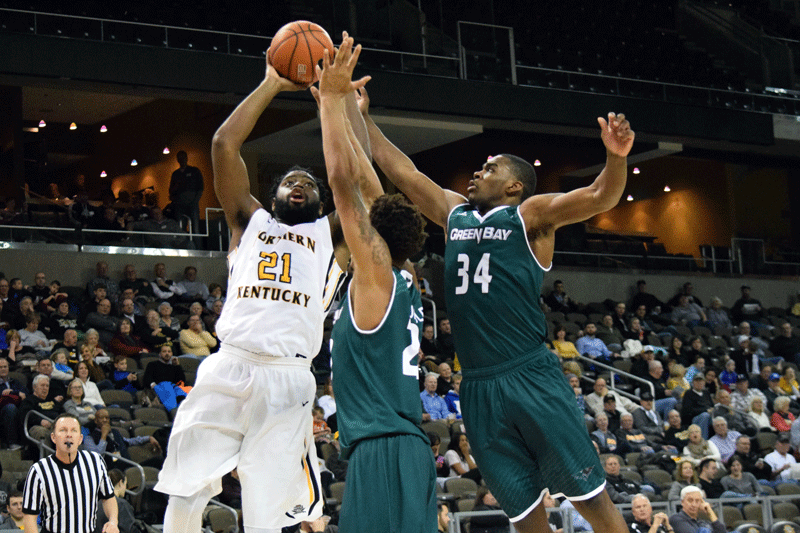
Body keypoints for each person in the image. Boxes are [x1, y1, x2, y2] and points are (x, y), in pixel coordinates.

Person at [366, 105, 631, 533]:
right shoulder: (455, 215)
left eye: (489, 169)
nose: (477, 173)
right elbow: (405, 173)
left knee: (591, 499)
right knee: (525, 516)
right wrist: (363, 116)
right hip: (478, 385)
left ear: (513, 185)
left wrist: (616, 158)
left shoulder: (531, 217)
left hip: (529, 373)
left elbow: (600, 196)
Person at [154, 32, 378, 533]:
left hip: (287, 375)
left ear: (322, 202)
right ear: (272, 196)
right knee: (184, 489)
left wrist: (341, 109)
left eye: (310, 184)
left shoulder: (331, 236)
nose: (299, 184)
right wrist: (271, 84)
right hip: (229, 364)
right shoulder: (247, 220)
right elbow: (223, 144)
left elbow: (361, 186)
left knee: (267, 515)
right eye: (289, 181)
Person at [22, 413, 119, 533]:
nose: (68, 435)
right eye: (63, 430)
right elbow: (29, 517)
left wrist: (113, 521)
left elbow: (108, 497)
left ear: (80, 439)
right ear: (53, 437)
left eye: (73, 430)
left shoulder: (96, 461)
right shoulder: (38, 470)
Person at [169, 150, 204, 240]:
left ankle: (198, 250)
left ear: (187, 158)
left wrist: (195, 201)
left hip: (192, 204)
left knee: (195, 229)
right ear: (177, 160)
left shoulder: (194, 171)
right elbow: (171, 190)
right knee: (181, 229)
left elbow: (200, 187)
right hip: (180, 206)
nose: (182, 160)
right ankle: (183, 249)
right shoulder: (175, 174)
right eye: (179, 158)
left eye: (183, 157)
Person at [0, 358, 26, 450]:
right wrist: (15, 393)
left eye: (5, 367)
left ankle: (27, 445)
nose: (3, 369)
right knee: (11, 408)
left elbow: (25, 393)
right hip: (2, 410)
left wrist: (12, 392)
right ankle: (12, 443)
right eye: (0, 367)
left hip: (18, 408)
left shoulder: (15, 381)